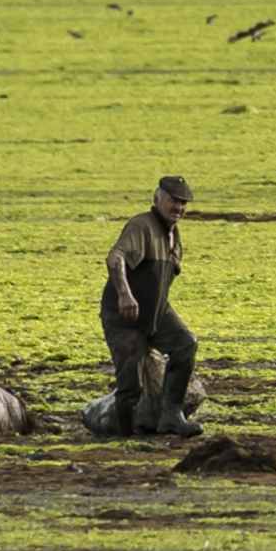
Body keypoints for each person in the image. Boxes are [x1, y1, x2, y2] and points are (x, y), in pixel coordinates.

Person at [100, 176, 202, 437]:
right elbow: (115, 258)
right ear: (157, 199)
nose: (178, 207)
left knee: (185, 344)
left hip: (155, 312)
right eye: (173, 200)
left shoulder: (174, 236)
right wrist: (125, 294)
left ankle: (172, 416)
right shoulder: (141, 226)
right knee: (130, 383)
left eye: (182, 203)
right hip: (123, 315)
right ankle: (123, 436)